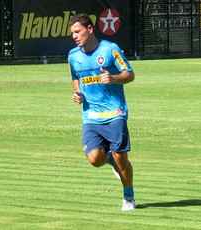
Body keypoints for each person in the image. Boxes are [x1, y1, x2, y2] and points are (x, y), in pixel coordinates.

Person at [67, 13, 136, 211]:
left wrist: (114, 78)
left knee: (122, 158)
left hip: (115, 113)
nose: (74, 36)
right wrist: (77, 93)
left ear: (89, 29)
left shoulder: (110, 49)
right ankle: (111, 162)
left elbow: (130, 74)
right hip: (91, 116)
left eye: (77, 31)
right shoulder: (73, 56)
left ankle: (128, 196)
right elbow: (75, 77)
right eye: (72, 33)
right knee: (95, 159)